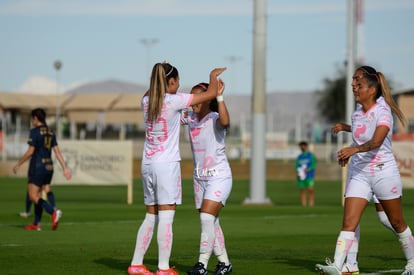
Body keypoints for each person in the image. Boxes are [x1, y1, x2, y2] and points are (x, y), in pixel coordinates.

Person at [128, 63, 226, 275]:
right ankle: (163, 268)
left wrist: (159, 72)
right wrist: (212, 75)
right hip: (166, 166)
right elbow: (209, 93)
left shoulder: (146, 101)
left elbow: (153, 89)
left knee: (150, 216)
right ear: (170, 82)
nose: (180, 84)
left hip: (147, 164)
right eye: (177, 81)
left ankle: (136, 264)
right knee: (166, 216)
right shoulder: (173, 100)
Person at [315, 65, 414, 275]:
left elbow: (377, 140)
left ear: (372, 89)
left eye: (358, 83)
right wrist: (347, 133)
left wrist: (353, 149)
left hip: (383, 172)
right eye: (353, 83)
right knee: (349, 221)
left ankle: (413, 262)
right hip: (360, 173)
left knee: (395, 221)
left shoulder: (383, 110)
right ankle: (339, 265)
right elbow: (362, 128)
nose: (354, 87)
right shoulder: (357, 113)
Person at [183, 80, 233, 275]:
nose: (193, 100)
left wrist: (219, 96)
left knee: (206, 217)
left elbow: (226, 122)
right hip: (199, 179)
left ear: (206, 99)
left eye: (197, 96)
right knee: (211, 222)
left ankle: (202, 264)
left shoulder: (214, 118)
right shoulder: (190, 118)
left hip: (219, 177)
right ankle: (224, 263)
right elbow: (165, 111)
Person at [13, 108, 72, 231]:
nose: (32, 121)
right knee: (38, 195)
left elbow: (31, 151)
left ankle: (53, 212)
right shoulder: (51, 132)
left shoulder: (35, 131)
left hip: (37, 166)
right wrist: (65, 168)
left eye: (32, 119)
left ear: (35, 118)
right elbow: (57, 151)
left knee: (33, 196)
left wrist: (18, 163)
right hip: (49, 167)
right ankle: (36, 223)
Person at [295, 141, 316, 207]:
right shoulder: (299, 157)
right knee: (302, 190)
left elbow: (313, 164)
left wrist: (308, 169)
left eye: (303, 145)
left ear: (306, 146)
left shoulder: (310, 156)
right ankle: (303, 204)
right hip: (301, 176)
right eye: (301, 145)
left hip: (309, 175)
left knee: (310, 189)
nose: (302, 147)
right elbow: (296, 166)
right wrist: (297, 172)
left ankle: (311, 203)